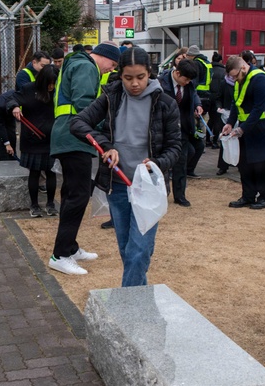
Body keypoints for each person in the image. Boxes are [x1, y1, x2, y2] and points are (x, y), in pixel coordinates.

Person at [71, 46, 182, 287]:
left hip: (148, 187)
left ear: (149, 73)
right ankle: (138, 297)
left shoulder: (165, 103)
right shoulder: (111, 97)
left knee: (138, 251)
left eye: (140, 77)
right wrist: (105, 146)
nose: (134, 84)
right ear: (119, 75)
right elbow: (78, 123)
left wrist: (157, 163)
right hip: (118, 184)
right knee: (127, 249)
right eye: (128, 78)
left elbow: (175, 147)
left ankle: (128, 302)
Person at [48, 41, 120, 275]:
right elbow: (85, 104)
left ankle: (69, 247)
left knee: (72, 194)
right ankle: (61, 255)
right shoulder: (87, 67)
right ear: (103, 56)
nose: (111, 69)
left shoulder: (76, 63)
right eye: (112, 64)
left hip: (69, 135)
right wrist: (104, 129)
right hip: (75, 137)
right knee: (77, 196)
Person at [221, 51, 265, 209]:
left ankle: (264, 197)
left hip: (263, 129)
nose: (234, 79)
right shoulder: (239, 80)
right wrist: (230, 123)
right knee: (245, 164)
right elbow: (236, 103)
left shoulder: (260, 79)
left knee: (263, 165)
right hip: (247, 129)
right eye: (232, 77)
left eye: (235, 76)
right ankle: (248, 196)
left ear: (243, 67)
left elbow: (258, 109)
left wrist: (241, 129)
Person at [11, 64, 58, 217]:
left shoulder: (59, 90)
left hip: (52, 138)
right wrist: (15, 106)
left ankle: (51, 204)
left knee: (51, 172)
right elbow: (12, 98)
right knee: (34, 173)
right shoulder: (29, 89)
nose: (51, 87)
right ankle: (34, 205)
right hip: (32, 138)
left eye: (54, 83)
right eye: (49, 83)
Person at [158, 59, 201, 206]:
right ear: (177, 73)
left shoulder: (189, 84)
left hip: (183, 128)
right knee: (162, 162)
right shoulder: (161, 83)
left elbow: (194, 95)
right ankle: (161, 193)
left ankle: (180, 195)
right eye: (186, 79)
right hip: (163, 128)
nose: (188, 82)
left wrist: (197, 105)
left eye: (190, 80)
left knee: (182, 161)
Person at [184, 45, 211, 176]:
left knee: (198, 144)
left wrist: (197, 104)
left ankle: (188, 170)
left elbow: (193, 88)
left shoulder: (196, 65)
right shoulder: (206, 63)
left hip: (199, 101)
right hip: (205, 98)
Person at [0, 88, 19, 162]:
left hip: (8, 111)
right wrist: (7, 144)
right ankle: (5, 159)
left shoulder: (18, 96)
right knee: (3, 137)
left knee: (11, 133)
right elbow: (0, 125)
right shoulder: (1, 106)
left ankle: (12, 157)